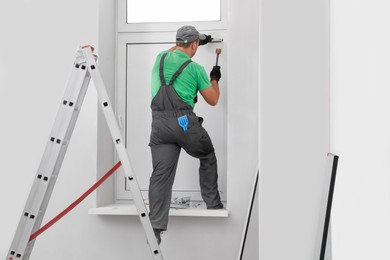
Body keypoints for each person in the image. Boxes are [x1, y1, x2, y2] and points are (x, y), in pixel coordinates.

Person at [148, 25, 223, 244]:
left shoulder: (160, 58)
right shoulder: (195, 68)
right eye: (196, 44)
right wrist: (215, 78)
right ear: (193, 45)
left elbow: (175, 48)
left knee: (161, 175)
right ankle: (213, 204)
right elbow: (213, 99)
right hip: (183, 124)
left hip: (159, 126)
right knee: (207, 155)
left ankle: (155, 228)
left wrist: (197, 41)